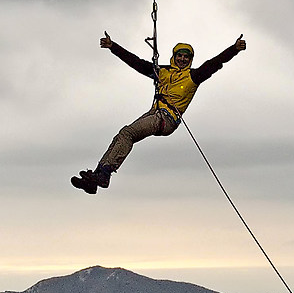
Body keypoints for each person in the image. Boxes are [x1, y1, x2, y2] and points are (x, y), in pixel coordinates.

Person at [71, 32, 246, 192]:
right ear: (174, 56)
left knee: (128, 133)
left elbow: (214, 64)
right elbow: (138, 64)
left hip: (166, 119)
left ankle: (104, 175)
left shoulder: (193, 76)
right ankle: (95, 179)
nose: (182, 60)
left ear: (190, 59)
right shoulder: (163, 72)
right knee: (121, 136)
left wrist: (234, 49)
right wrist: (113, 46)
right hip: (155, 113)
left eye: (186, 57)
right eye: (180, 56)